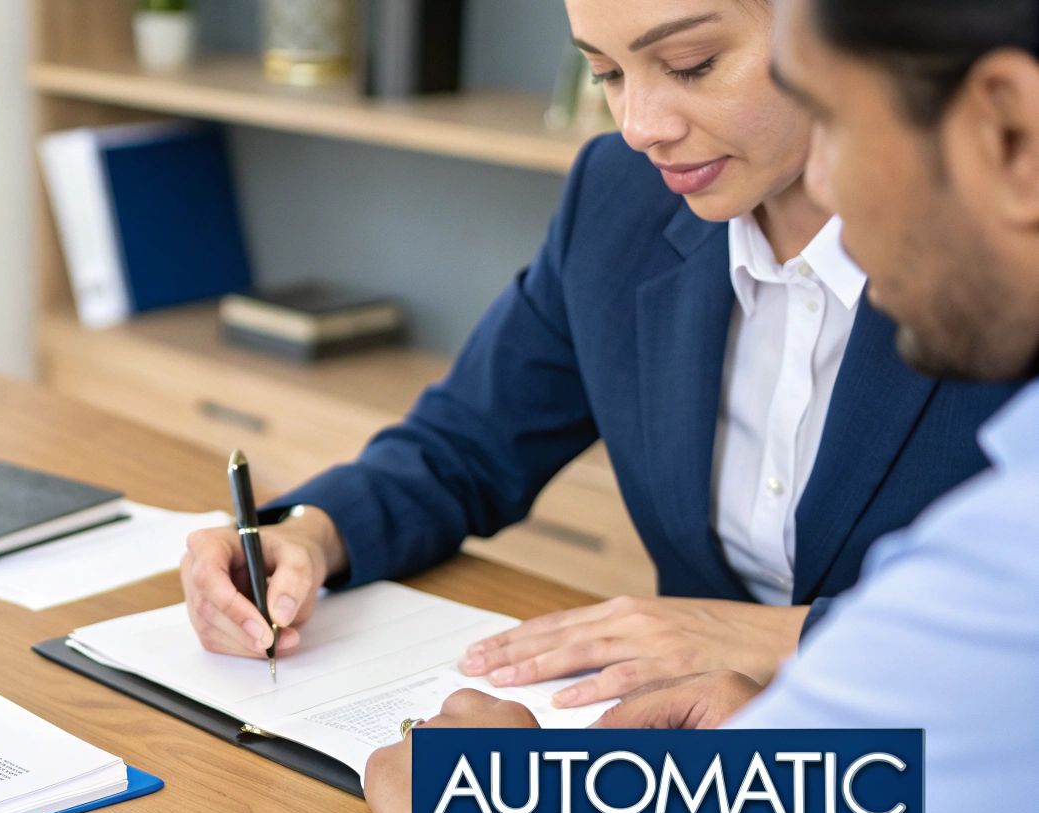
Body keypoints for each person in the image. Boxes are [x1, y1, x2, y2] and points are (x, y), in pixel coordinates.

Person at [360, 0, 1039, 813]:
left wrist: (474, 804)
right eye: (604, 74)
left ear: (1007, 132)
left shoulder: (1006, 583)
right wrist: (805, 753)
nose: (828, 187)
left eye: (837, 121)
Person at [179, 0, 1017, 711]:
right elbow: (468, 442)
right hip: (679, 756)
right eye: (607, 74)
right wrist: (312, 536)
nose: (641, 128)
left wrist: (780, 639)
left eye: (690, 64)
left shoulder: (998, 253)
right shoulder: (620, 196)